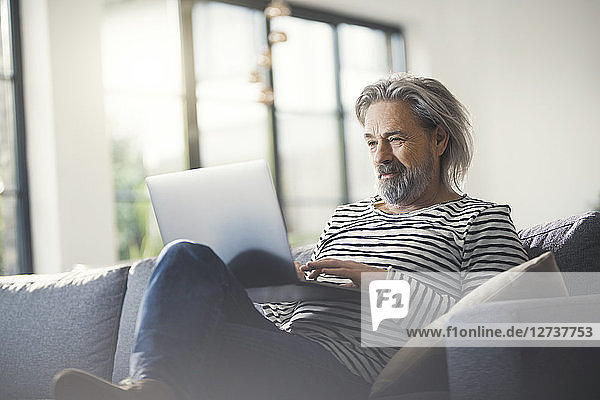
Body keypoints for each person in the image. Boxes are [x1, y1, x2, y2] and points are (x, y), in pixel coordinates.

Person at [54, 74, 528, 400]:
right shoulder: (347, 218)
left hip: (347, 371)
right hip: (285, 346)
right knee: (187, 254)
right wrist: (278, 282)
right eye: (370, 141)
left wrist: (381, 284)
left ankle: (155, 389)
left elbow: (507, 319)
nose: (380, 155)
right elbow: (286, 314)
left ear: (439, 140)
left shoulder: (477, 220)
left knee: (192, 349)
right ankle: (151, 389)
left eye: (396, 139)